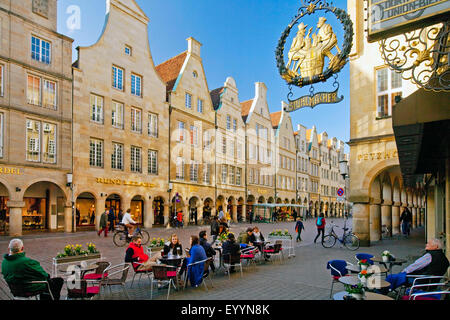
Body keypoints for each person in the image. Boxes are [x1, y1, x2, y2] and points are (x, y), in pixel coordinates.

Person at [384, 238, 449, 291]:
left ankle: (381, 292)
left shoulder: (429, 255)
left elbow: (415, 266)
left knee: (391, 277)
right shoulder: (445, 259)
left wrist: (403, 272)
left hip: (420, 281)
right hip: (432, 283)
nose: (426, 244)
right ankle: (389, 289)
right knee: (396, 278)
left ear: (436, 246)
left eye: (429, 243)